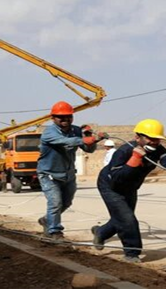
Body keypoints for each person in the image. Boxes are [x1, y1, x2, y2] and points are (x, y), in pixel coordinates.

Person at [91, 119, 166, 263]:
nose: (154, 142)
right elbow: (117, 178)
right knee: (127, 218)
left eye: (157, 139)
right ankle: (131, 253)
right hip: (111, 186)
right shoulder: (124, 151)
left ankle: (100, 232)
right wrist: (134, 159)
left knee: (122, 218)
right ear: (137, 137)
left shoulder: (158, 150)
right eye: (150, 138)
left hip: (131, 187)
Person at [37, 101, 107, 240]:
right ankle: (55, 232)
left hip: (68, 174)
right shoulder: (49, 133)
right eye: (60, 117)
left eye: (68, 116)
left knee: (66, 203)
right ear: (53, 118)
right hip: (49, 174)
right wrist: (89, 138)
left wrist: (91, 139)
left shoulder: (75, 130)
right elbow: (68, 142)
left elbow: (89, 149)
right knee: (55, 203)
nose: (65, 120)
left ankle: (47, 220)